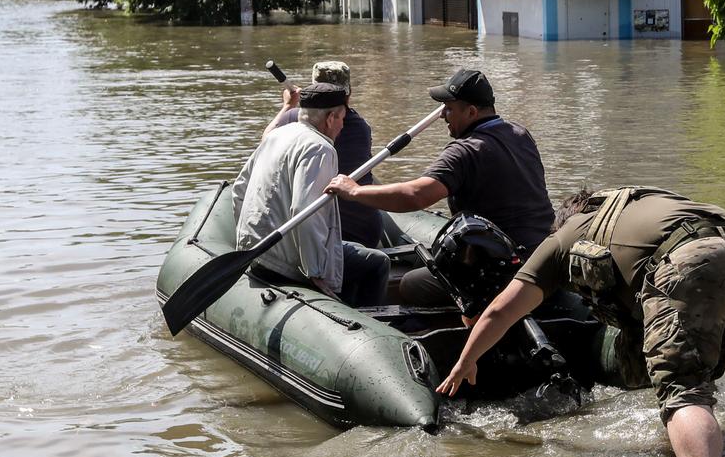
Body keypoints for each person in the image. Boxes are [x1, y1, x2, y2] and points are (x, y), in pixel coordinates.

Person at [437, 186, 725, 457]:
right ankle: (698, 446)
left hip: (689, 262)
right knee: (696, 375)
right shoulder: (634, 204)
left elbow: (500, 310)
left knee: (682, 389)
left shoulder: (565, 236)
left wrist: (466, 360)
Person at [326, 68, 552, 309]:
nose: (443, 115)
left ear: (472, 112)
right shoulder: (520, 133)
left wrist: (353, 190)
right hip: (541, 255)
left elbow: (416, 195)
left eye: (449, 109)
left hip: (500, 265)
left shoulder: (464, 151)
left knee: (411, 284)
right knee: (429, 261)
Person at [234, 83, 388, 308]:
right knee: (377, 263)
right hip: (286, 262)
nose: (343, 125)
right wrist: (315, 272)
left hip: (257, 253)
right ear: (331, 118)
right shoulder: (320, 148)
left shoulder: (276, 135)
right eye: (342, 118)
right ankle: (369, 322)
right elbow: (304, 211)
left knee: (355, 252)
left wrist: (246, 246)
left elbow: (239, 189)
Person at [264, 60, 382, 247]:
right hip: (365, 233)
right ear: (348, 92)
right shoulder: (361, 126)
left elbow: (266, 143)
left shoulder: (293, 118)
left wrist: (288, 105)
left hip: (326, 237)